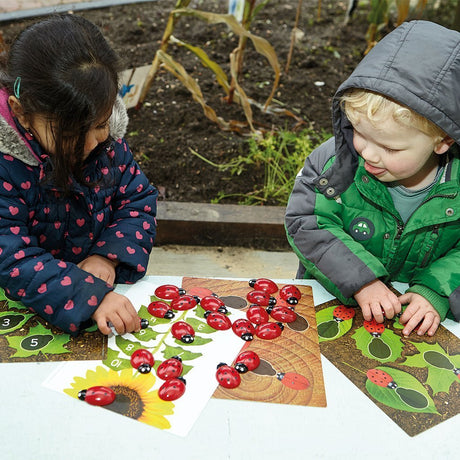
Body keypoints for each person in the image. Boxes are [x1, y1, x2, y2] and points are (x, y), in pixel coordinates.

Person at [285, 20, 460, 337]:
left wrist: (437, 292)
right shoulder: (334, 164)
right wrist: (361, 279)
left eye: (390, 147)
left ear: (443, 141)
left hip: (419, 322)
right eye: (360, 133)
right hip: (331, 298)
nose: (369, 154)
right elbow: (307, 221)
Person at [0, 15, 158, 335]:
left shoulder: (108, 145)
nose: (90, 144)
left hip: (97, 294)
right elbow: (12, 259)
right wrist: (86, 293)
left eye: (100, 125)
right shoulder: (6, 167)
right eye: (71, 133)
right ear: (20, 111)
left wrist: (106, 256)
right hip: (24, 303)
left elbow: (137, 199)